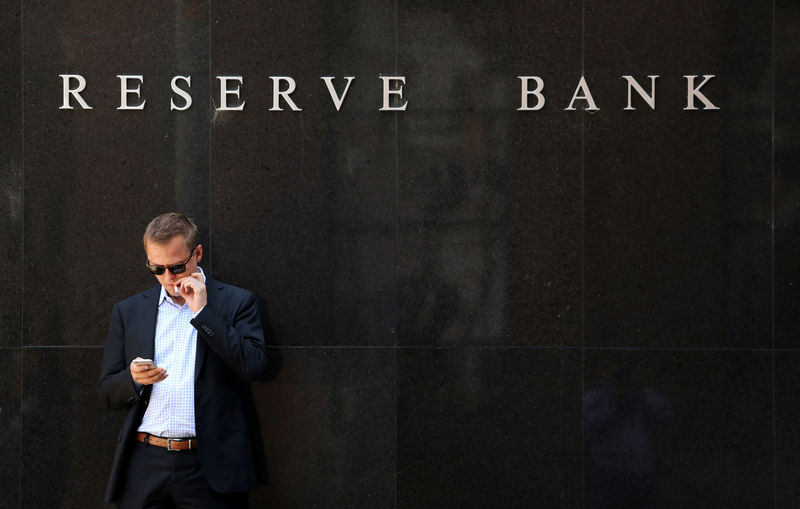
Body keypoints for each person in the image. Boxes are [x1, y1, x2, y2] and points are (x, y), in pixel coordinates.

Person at [97, 212, 268, 508]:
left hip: (210, 464)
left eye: (176, 266)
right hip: (144, 462)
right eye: (157, 268)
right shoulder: (129, 311)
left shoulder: (237, 302)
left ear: (197, 253)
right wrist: (133, 379)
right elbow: (106, 393)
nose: (168, 278)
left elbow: (253, 365)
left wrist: (203, 314)